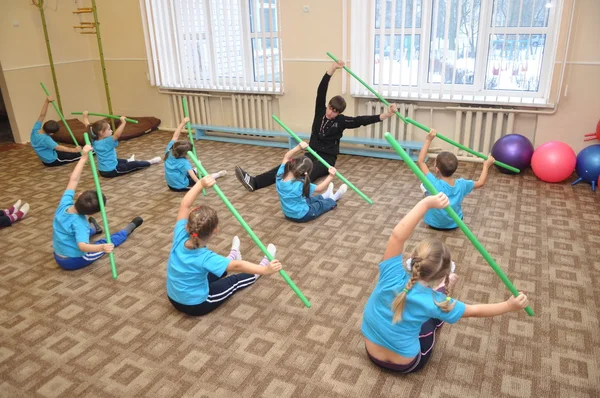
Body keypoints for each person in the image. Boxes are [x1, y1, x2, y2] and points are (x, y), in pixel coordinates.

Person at [361, 193, 530, 373]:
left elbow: (397, 236)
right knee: (431, 321)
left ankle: (438, 291)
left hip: (371, 352)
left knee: (426, 309)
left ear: (412, 257)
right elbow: (475, 311)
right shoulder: (435, 301)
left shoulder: (391, 273)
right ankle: (440, 290)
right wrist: (509, 305)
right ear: (443, 274)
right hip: (406, 364)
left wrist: (425, 203)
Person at [235, 60, 398, 191]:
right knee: (288, 165)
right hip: (311, 151)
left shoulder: (341, 121)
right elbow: (321, 90)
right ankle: (254, 182)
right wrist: (332, 69)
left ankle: (294, 189)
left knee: (307, 173)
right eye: (330, 108)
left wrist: (387, 114)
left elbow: (361, 120)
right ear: (327, 106)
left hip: (327, 159)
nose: (330, 113)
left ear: (339, 113)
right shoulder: (320, 111)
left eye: (335, 112)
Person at [166, 175, 282, 316]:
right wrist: (265, 270)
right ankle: (258, 271)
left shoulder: (180, 233)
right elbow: (237, 266)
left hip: (173, 296)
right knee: (233, 281)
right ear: (216, 230)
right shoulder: (205, 257)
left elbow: (184, 204)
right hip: (196, 304)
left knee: (213, 270)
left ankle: (232, 255)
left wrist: (200, 184)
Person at [52, 145, 143, 270]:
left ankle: (94, 228)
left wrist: (84, 158)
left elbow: (73, 180)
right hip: (73, 260)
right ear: (93, 213)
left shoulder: (65, 203)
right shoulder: (80, 223)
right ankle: (126, 230)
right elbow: (83, 246)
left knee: (75, 232)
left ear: (79, 196)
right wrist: (102, 248)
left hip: (58, 255)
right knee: (105, 243)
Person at [417, 130, 495, 230]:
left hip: (433, 223)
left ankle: (426, 191)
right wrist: (486, 166)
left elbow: (421, 161)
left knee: (425, 186)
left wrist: (428, 140)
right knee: (429, 188)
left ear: (437, 169)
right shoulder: (462, 184)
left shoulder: (433, 183)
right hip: (454, 223)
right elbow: (480, 183)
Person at [276, 141, 347, 222]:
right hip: (303, 215)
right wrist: (331, 176)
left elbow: (286, 157)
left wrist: (298, 147)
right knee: (320, 205)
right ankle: (333, 198)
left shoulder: (281, 174)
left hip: (288, 214)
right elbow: (320, 188)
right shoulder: (299, 184)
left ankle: (325, 195)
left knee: (308, 199)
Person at [85, 112, 162, 178]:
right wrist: (123, 123)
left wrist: (85, 117)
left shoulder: (94, 139)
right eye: (109, 129)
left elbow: (88, 126)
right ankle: (151, 161)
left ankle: (129, 160)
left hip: (102, 170)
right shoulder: (107, 141)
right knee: (135, 164)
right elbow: (117, 135)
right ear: (101, 132)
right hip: (112, 170)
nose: (111, 131)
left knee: (119, 160)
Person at [164, 117, 227, 191]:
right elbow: (194, 177)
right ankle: (217, 174)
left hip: (170, 183)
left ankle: (196, 169)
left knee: (186, 170)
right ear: (185, 153)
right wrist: (200, 184)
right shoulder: (184, 162)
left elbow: (175, 136)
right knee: (204, 179)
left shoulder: (169, 148)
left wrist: (183, 123)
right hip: (179, 186)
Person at [31, 96, 82, 167]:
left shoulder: (35, 130)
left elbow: (42, 115)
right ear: (51, 134)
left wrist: (47, 101)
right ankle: (93, 151)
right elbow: (58, 147)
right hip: (53, 160)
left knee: (66, 151)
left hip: (49, 155)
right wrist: (74, 150)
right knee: (81, 155)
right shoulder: (46, 139)